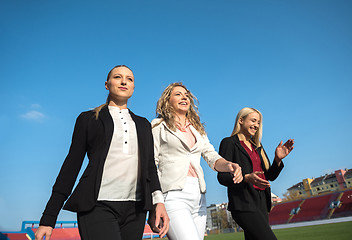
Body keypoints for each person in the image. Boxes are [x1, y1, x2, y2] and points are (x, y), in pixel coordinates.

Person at [35, 65, 169, 240]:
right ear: (107, 84)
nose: (123, 81)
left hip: (136, 210)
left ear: (133, 88)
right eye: (117, 77)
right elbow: (71, 166)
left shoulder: (143, 124)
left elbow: (150, 168)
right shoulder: (88, 119)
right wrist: (49, 217)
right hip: (97, 206)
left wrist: (157, 203)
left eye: (129, 79)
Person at [149, 82, 243, 240]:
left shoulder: (197, 128)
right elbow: (151, 164)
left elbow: (210, 154)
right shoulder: (158, 125)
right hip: (172, 195)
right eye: (178, 94)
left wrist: (228, 165)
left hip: (199, 197)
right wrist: (155, 201)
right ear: (167, 100)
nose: (184, 96)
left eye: (186, 94)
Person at [217, 107, 294, 240]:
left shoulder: (257, 146)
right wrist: (246, 178)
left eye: (258, 122)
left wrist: (277, 160)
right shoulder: (229, 143)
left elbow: (270, 176)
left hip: (262, 202)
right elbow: (222, 177)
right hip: (243, 203)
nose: (256, 125)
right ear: (241, 120)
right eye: (253, 121)